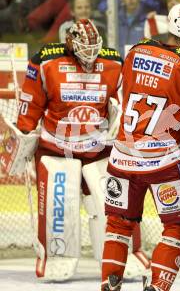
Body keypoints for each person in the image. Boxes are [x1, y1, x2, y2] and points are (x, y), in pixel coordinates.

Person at [15, 19, 149, 281]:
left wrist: (123, 124)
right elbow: (30, 101)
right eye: (83, 50)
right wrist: (23, 133)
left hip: (100, 148)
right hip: (56, 147)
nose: (89, 57)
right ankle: (56, 256)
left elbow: (127, 100)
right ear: (69, 43)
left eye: (94, 50)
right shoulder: (45, 61)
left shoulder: (114, 63)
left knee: (113, 203)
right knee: (60, 203)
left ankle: (127, 252)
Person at [100, 3, 180, 291]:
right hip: (163, 162)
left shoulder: (136, 51)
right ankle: (158, 286)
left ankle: (109, 285)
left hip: (122, 156)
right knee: (178, 227)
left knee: (118, 224)